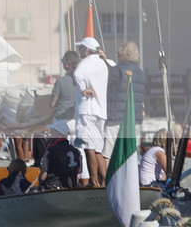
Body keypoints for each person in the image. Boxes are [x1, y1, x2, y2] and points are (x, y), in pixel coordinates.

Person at [73, 36, 109, 187]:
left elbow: (77, 75)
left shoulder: (85, 63)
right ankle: (104, 182)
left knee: (89, 148)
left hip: (87, 109)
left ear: (87, 49)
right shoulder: (103, 63)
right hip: (101, 111)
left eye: (81, 48)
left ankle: (93, 182)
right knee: (98, 150)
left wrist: (83, 90)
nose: (79, 51)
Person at [106, 43, 146, 157]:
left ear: (124, 54)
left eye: (118, 53)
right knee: (127, 155)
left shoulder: (117, 70)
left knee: (108, 155)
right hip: (134, 120)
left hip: (116, 119)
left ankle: (106, 176)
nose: (117, 55)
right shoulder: (140, 72)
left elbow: (102, 83)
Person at [49, 50, 81, 139]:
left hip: (61, 121)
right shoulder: (81, 80)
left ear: (65, 65)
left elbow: (52, 104)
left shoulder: (60, 81)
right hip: (77, 121)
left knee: (57, 148)